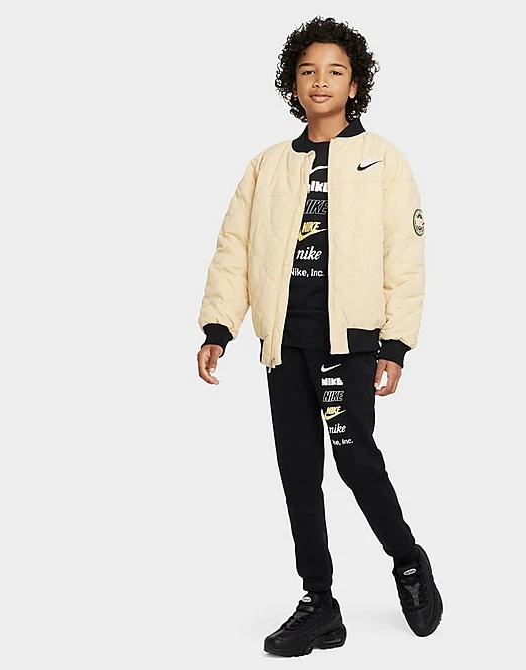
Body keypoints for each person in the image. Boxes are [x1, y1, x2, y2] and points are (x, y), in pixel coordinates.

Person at [196, 16, 442, 656]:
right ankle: (319, 604)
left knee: (356, 460)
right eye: (308, 71)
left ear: (355, 84)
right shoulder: (267, 166)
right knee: (298, 472)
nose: (321, 81)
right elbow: (234, 247)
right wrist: (220, 326)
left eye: (335, 71)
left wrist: (395, 344)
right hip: (285, 343)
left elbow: (404, 256)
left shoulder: (382, 160)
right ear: (293, 83)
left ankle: (408, 560)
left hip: (350, 341)